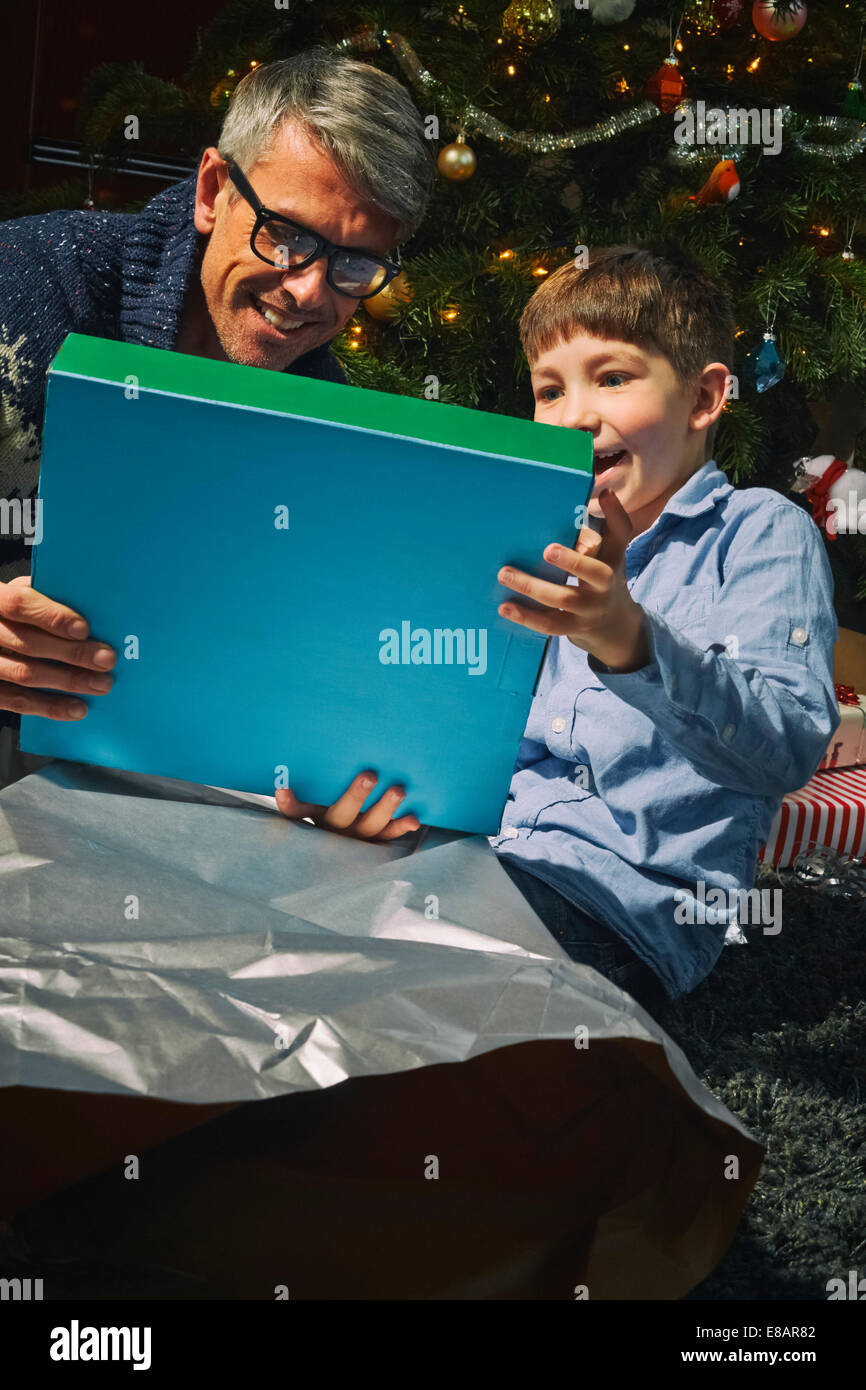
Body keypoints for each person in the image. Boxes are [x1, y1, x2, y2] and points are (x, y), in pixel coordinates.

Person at [279, 243, 840, 1014]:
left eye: (612, 378)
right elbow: (470, 729)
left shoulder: (761, 531)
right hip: (474, 856)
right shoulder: (538, 535)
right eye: (549, 390)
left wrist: (627, 639)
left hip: (621, 910)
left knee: (368, 986)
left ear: (706, 398)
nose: (573, 416)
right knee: (273, 907)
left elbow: (786, 746)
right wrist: (363, 778)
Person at [0, 49, 434, 788]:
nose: (307, 292)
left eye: (355, 266)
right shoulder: (31, 284)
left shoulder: (327, 422)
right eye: (288, 235)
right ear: (212, 191)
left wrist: (338, 769)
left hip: (133, 774)